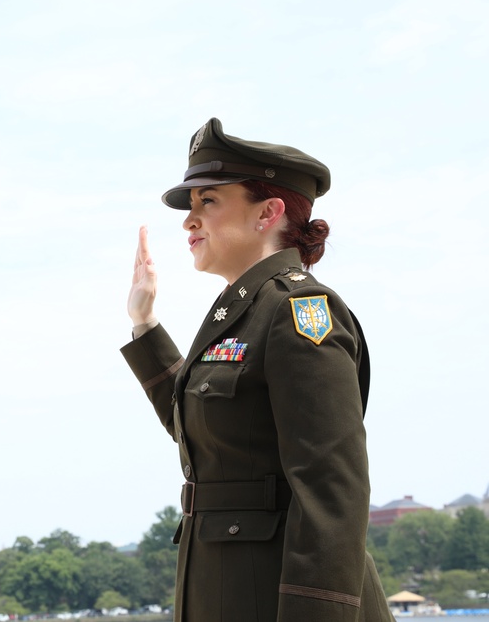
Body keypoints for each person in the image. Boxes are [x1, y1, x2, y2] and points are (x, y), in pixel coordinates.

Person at [121, 118, 393, 622]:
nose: (189, 221)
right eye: (190, 206)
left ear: (268, 212)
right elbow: (201, 432)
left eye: (209, 201)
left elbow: (332, 490)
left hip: (276, 600)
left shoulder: (299, 310)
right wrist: (145, 325)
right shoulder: (241, 313)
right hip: (222, 592)